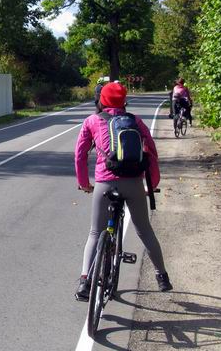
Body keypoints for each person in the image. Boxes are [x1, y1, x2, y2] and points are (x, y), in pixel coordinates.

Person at [74, 81, 173, 300]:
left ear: (101, 100)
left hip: (105, 183)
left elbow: (80, 154)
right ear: (124, 101)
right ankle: (162, 276)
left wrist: (84, 182)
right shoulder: (135, 121)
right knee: (144, 231)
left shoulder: (92, 121)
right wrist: (151, 185)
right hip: (134, 183)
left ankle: (85, 282)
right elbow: (151, 154)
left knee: (95, 232)